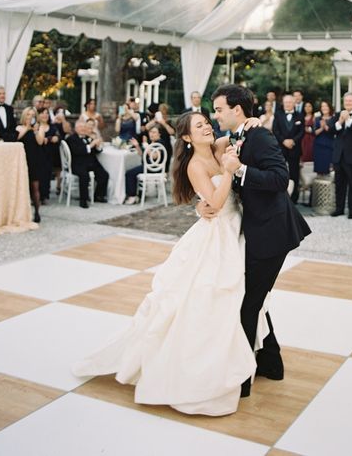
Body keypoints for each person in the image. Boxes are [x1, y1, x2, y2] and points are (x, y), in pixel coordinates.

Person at [73, 111, 261, 415]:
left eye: (206, 123)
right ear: (186, 137)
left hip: (236, 227)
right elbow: (212, 203)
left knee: (240, 295)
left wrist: (251, 122)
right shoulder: (195, 165)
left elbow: (239, 134)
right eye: (199, 126)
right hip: (217, 234)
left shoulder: (217, 147)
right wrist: (228, 172)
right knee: (205, 296)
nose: (207, 127)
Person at [210, 84, 311, 399]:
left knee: (248, 303)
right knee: (255, 298)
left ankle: (242, 379)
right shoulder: (241, 135)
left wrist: (240, 169)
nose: (216, 115)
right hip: (254, 228)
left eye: (219, 109)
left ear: (236, 110)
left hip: (272, 232)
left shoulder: (260, 136)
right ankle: (271, 362)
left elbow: (281, 179)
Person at [66, 119, 109, 207]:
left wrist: (97, 146)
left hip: (90, 162)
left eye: (84, 127)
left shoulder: (87, 137)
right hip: (77, 163)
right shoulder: (71, 139)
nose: (83, 129)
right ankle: (83, 200)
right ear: (76, 128)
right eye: (81, 127)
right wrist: (92, 144)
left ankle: (98, 195)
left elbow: (95, 151)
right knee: (84, 176)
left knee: (104, 174)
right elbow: (78, 151)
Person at [272, 93, 305, 203]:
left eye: (290, 102)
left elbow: (302, 131)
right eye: (286, 102)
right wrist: (284, 141)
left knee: (294, 174)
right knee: (280, 172)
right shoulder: (278, 114)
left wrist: (293, 141)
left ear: (294, 103)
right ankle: (280, 197)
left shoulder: (300, 115)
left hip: (294, 149)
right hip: (281, 149)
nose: (287, 104)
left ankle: (294, 198)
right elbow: (275, 130)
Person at [123, 124, 164, 205]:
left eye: (154, 132)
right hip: (146, 166)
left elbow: (154, 156)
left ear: (159, 134)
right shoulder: (150, 142)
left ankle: (132, 196)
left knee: (129, 174)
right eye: (151, 132)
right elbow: (141, 154)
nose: (152, 134)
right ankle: (137, 195)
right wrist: (137, 145)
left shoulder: (160, 143)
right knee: (131, 172)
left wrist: (147, 146)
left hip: (153, 168)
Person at [16, 107, 43, 223]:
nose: (30, 117)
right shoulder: (19, 127)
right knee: (22, 187)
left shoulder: (39, 128)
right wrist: (27, 128)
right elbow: (17, 138)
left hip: (35, 160)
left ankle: (37, 212)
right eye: (28, 115)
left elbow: (40, 142)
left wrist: (36, 130)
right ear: (24, 116)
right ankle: (22, 213)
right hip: (22, 160)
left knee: (35, 187)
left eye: (33, 115)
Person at [36, 107, 60, 203]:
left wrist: (51, 139)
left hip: (49, 155)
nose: (45, 115)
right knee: (37, 175)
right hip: (37, 154)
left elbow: (58, 138)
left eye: (46, 113)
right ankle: (36, 196)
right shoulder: (35, 126)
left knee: (47, 175)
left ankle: (45, 196)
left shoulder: (53, 127)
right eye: (42, 113)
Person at [313, 100, 334, 175]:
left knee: (329, 168)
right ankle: (320, 185)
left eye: (326, 106)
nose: (324, 108)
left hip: (329, 146)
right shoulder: (317, 119)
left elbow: (334, 132)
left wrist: (325, 126)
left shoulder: (334, 119)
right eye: (322, 106)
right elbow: (314, 132)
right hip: (318, 146)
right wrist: (321, 128)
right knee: (319, 168)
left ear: (329, 107)